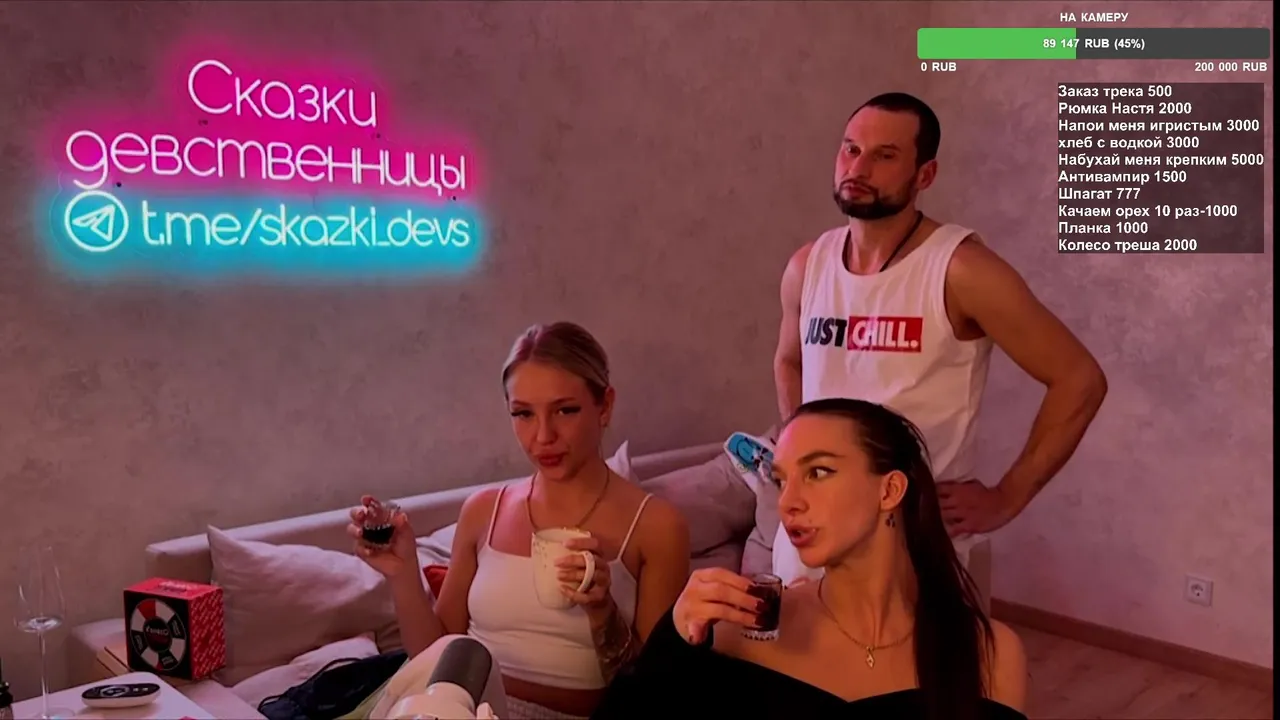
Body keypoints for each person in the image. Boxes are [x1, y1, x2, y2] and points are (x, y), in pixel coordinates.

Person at [771, 92, 1107, 583]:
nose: (858, 168)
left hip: (911, 538)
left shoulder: (961, 270)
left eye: (885, 155)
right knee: (794, 635)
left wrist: (1007, 497)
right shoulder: (808, 266)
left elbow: (1079, 379)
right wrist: (795, 455)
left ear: (924, 175)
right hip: (809, 532)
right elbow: (789, 361)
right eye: (851, 149)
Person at [592, 398, 1028, 720]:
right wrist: (673, 638)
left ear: (890, 490)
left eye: (819, 472)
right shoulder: (743, 629)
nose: (788, 502)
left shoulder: (989, 653)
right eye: (781, 481)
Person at [349, 322, 691, 720]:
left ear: (605, 406)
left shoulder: (657, 527)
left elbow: (652, 695)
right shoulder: (482, 511)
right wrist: (403, 571)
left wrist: (602, 610)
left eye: (565, 410)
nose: (543, 436)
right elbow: (435, 656)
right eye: (523, 414)